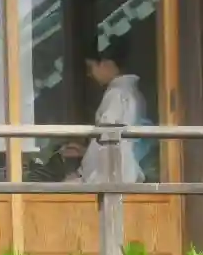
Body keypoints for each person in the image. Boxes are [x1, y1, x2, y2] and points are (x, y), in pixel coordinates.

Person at [61, 34, 146, 183]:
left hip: (112, 176)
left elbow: (108, 144)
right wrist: (84, 152)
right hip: (124, 172)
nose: (89, 74)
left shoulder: (117, 95)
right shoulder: (132, 93)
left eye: (91, 67)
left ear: (107, 64)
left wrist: (82, 174)